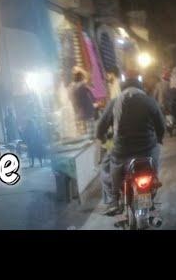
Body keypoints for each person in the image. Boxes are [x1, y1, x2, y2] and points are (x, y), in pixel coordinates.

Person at [96, 69, 165, 214]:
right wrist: (159, 139)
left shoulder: (115, 102)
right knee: (156, 158)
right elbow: (160, 125)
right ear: (140, 87)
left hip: (122, 151)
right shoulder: (149, 101)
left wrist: (102, 138)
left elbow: (100, 127)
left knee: (106, 166)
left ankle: (114, 200)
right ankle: (151, 190)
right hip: (147, 149)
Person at [68, 67, 97, 136]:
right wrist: (80, 69)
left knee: (83, 140)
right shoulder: (80, 86)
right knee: (91, 138)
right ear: (81, 77)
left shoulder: (70, 87)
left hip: (78, 117)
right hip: (87, 116)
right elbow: (89, 77)